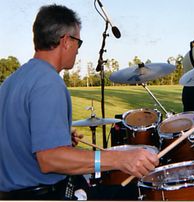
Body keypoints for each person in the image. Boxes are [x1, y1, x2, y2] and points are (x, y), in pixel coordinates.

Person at [0, 4, 158, 200]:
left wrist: (60, 138)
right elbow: (50, 159)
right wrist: (120, 159)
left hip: (11, 194)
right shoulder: (48, 82)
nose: (77, 50)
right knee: (140, 194)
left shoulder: (12, 81)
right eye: (78, 42)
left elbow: (17, 137)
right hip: (47, 194)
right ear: (66, 41)